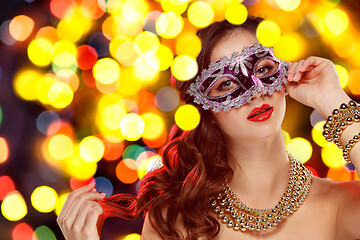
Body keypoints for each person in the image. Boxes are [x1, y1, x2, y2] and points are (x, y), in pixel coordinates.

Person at [57, 16, 360, 239]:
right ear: (204, 109)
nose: (255, 91)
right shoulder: (174, 223)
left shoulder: (339, 205)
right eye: (226, 84)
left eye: (263, 69)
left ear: (282, 76)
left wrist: (331, 99)